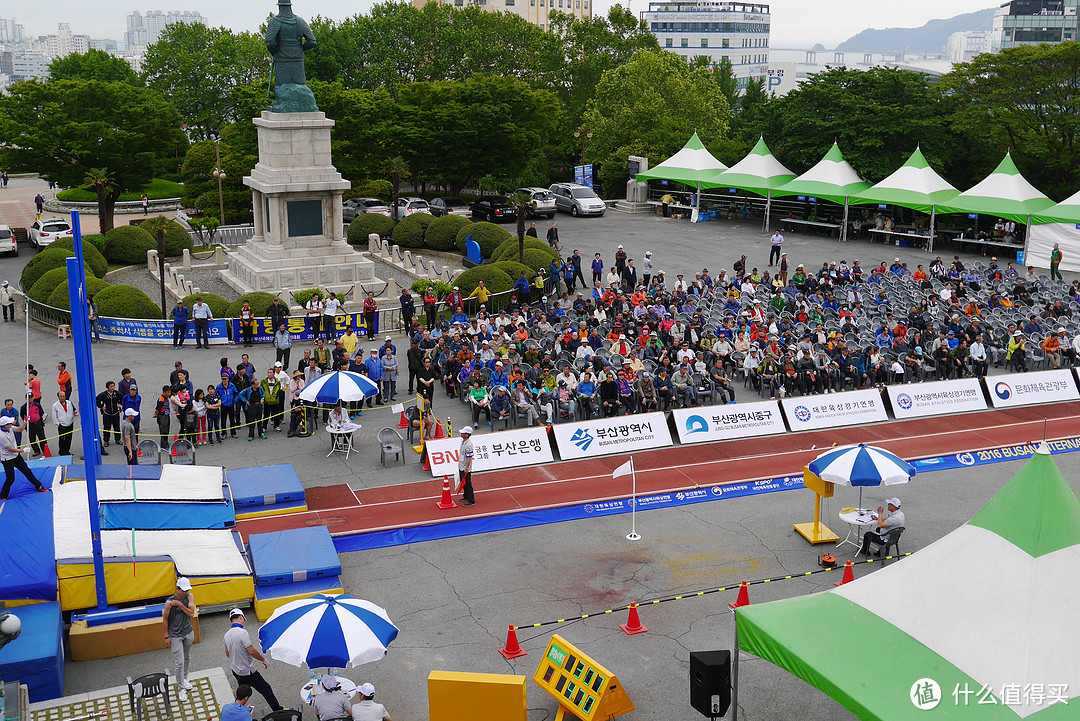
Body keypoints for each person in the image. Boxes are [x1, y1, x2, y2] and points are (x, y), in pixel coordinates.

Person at [223, 609, 282, 712]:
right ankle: (278, 710)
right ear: (241, 617)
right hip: (248, 671)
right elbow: (251, 651)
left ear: (230, 621)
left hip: (236, 670)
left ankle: (238, 711)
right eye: (243, 619)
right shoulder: (242, 633)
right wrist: (263, 659)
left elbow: (227, 653)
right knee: (265, 689)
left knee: (243, 693)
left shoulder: (226, 635)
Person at [163, 578, 197, 700]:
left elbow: (191, 613)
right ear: (177, 589)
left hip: (188, 632)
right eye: (183, 590)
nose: (185, 592)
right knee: (179, 662)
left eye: (187, 590)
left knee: (188, 657)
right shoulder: (169, 603)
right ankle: (181, 688)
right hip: (175, 635)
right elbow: (165, 619)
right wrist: (166, 635)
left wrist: (180, 605)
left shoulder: (189, 597)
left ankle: (185, 678)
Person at [0, 416, 47, 499]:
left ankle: (39, 486)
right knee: (10, 478)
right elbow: (10, 449)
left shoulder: (10, 428)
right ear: (4, 425)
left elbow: (19, 429)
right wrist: (23, 450)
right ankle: (3, 495)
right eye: (9, 423)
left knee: (27, 471)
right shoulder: (2, 436)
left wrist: (25, 421)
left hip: (16, 456)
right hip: (7, 459)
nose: (11, 424)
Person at [97, 381, 122, 448]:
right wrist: (101, 406)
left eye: (113, 386)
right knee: (106, 428)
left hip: (115, 413)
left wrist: (120, 404)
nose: (112, 387)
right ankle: (106, 440)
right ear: (107, 387)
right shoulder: (104, 394)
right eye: (111, 386)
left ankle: (118, 439)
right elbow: (97, 400)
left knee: (117, 427)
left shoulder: (116, 393)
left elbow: (122, 399)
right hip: (107, 414)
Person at [52, 391, 77, 456]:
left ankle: (67, 450)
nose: (62, 398)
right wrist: (57, 423)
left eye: (63, 396)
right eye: (61, 396)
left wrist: (72, 419)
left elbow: (73, 411)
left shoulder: (69, 403)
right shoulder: (55, 405)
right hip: (62, 424)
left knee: (69, 438)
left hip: (70, 423)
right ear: (58, 397)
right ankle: (62, 451)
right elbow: (54, 415)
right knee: (62, 439)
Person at [458, 426, 475, 507]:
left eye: (463, 433)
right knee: (463, 482)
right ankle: (466, 495)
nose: (461, 434)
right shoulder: (463, 442)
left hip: (465, 467)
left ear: (467, 435)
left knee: (467, 483)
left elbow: (469, 458)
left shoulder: (469, 445)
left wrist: (467, 468)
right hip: (461, 465)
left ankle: (471, 500)